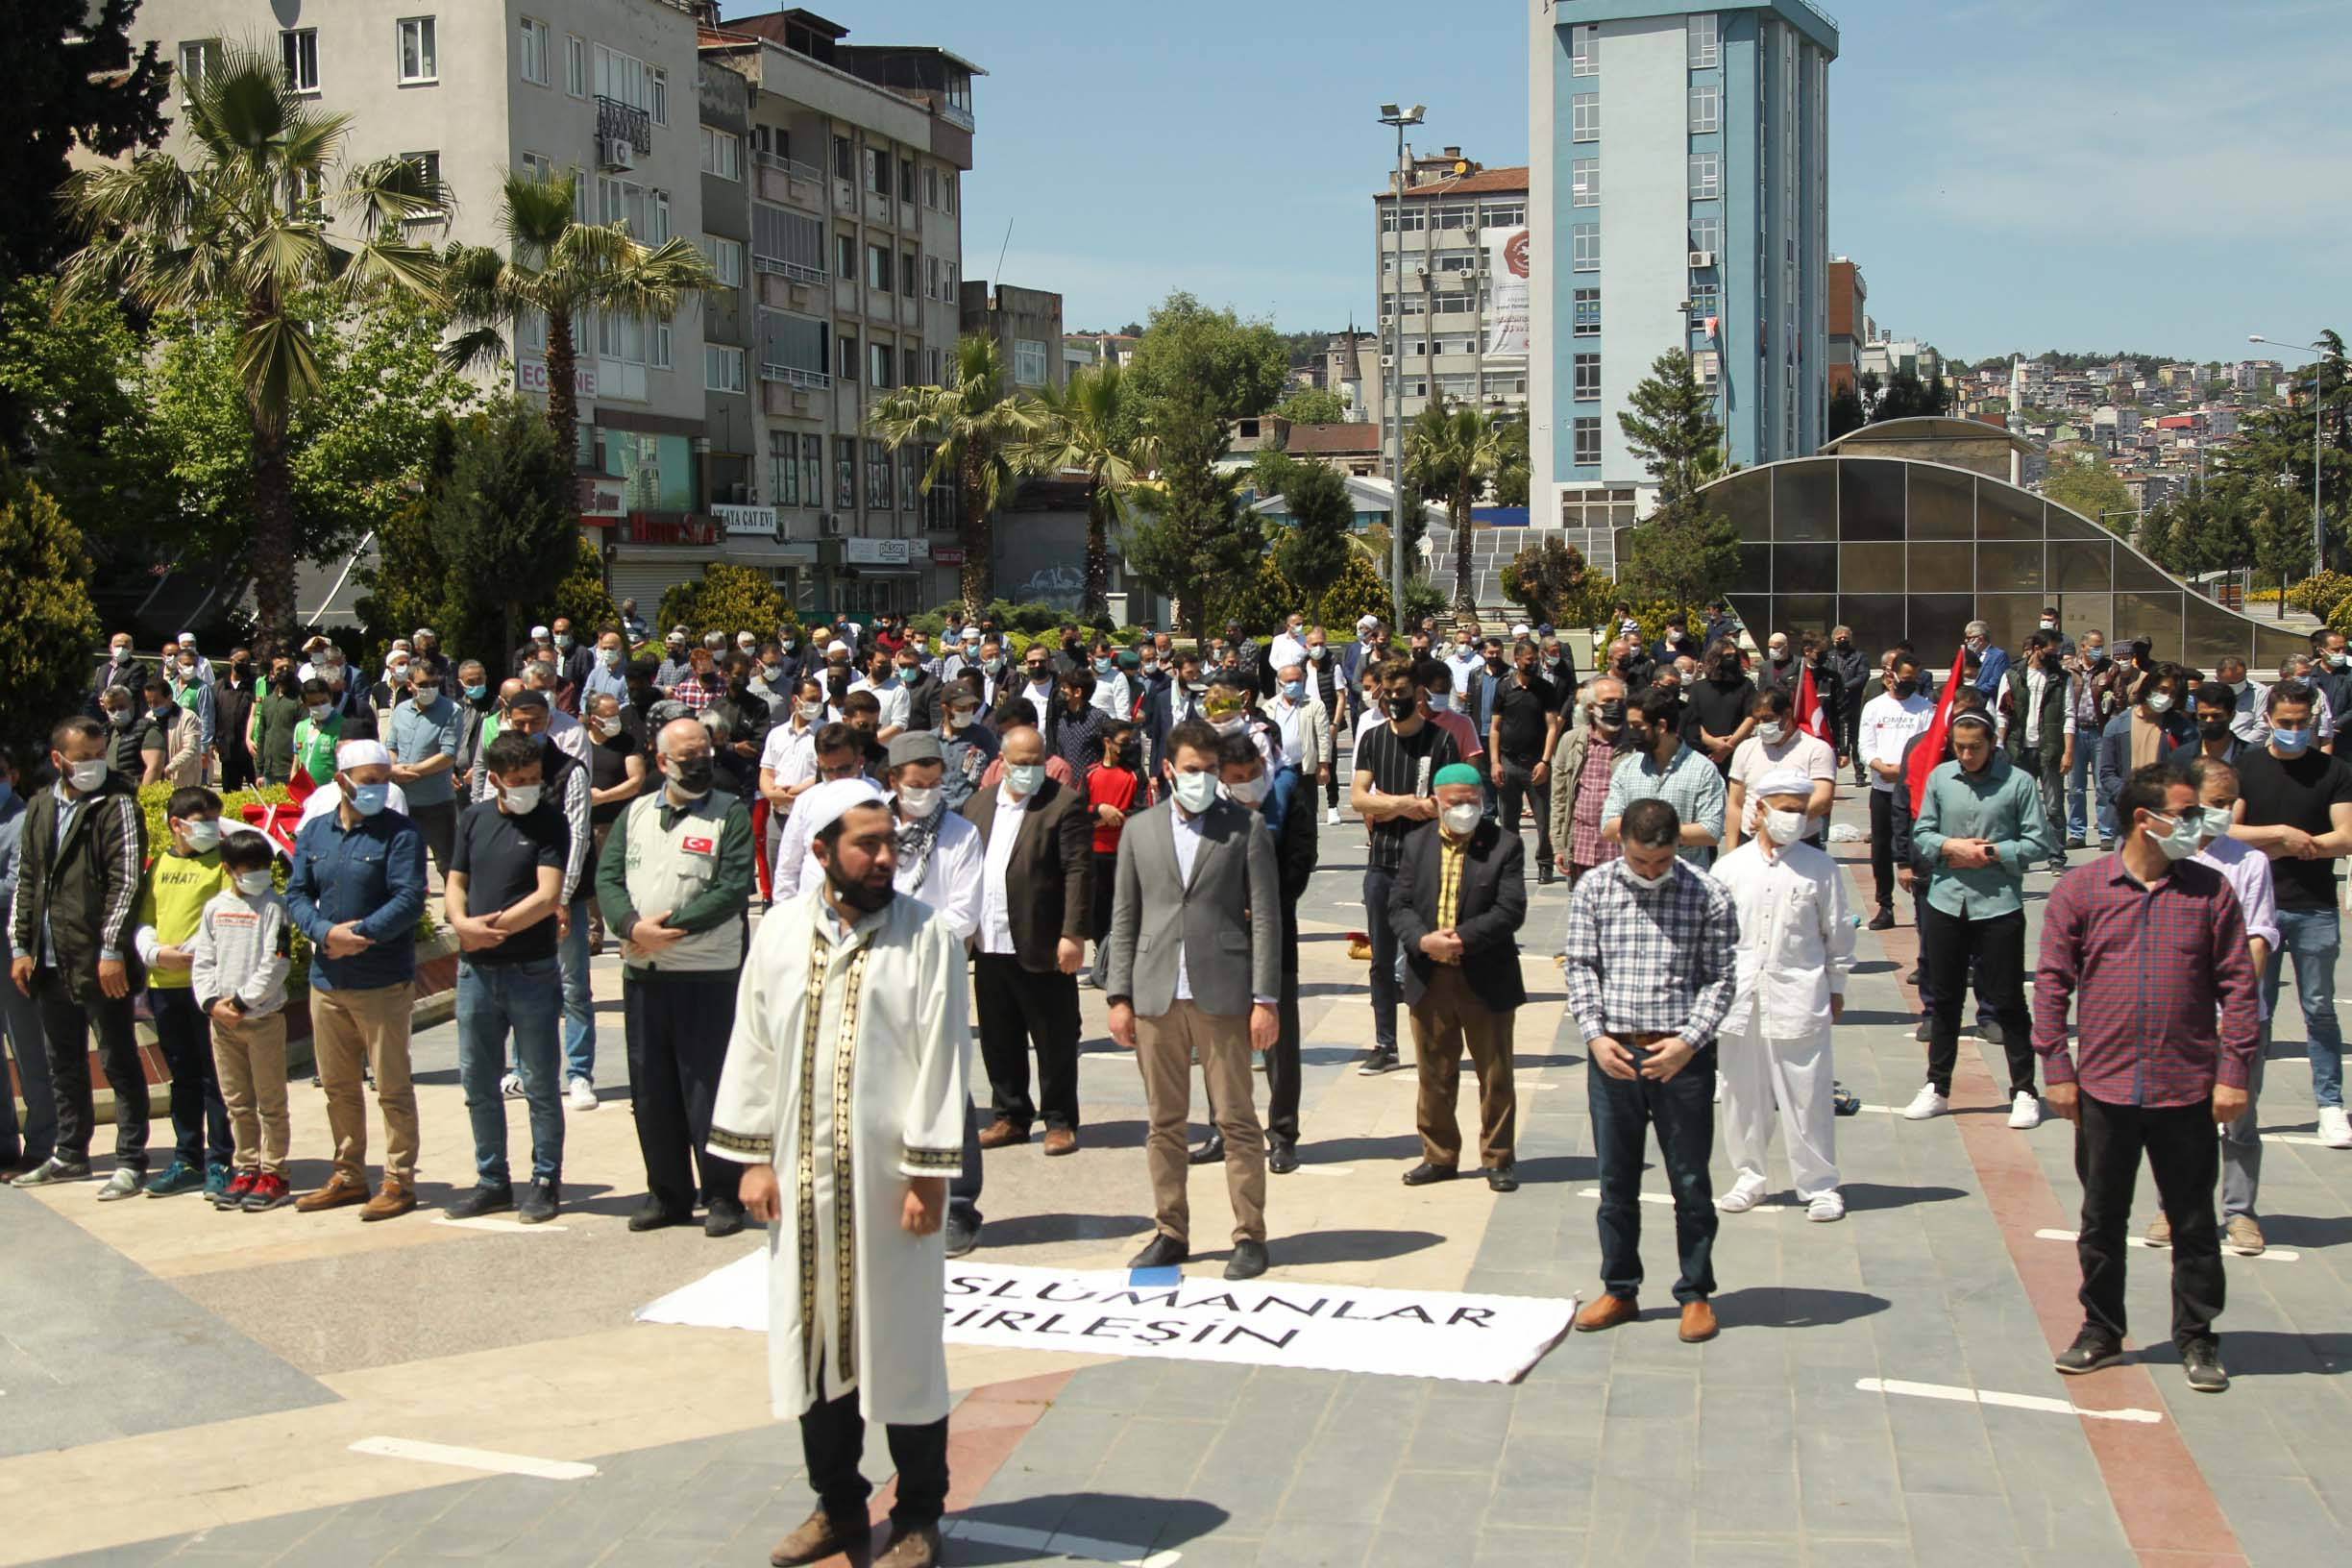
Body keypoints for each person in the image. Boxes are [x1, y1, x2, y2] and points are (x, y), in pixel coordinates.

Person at [713, 789, 968, 1568]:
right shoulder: (782, 931)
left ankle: (919, 1515)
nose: (885, 857)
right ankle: (838, 1507)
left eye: (889, 842)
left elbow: (943, 1055)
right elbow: (754, 1042)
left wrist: (929, 1174)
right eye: (866, 845)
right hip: (804, 1186)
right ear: (820, 850)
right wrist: (753, 1157)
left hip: (895, 1191)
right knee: (816, 1344)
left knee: (903, 1349)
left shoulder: (927, 937)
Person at [2035, 764, 2258, 1395]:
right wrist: (2057, 1069)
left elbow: (2240, 987)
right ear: (2145, 819)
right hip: (2104, 1088)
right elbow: (2051, 984)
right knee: (2102, 1219)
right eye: (2185, 815)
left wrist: (2233, 1073)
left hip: (2187, 1087)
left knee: (2191, 1221)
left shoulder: (2211, 893)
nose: (2197, 826)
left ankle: (2197, 1336)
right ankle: (2101, 1330)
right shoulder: (2082, 891)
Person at [1103, 720, 1280, 1280]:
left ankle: (1249, 1234)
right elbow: (1125, 917)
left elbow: (1267, 918)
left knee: (1236, 1119)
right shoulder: (1140, 830)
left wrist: (1265, 998)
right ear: (1169, 770)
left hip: (1223, 991)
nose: (1200, 779)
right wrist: (1119, 994)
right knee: (1164, 1121)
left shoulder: (1245, 828)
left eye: (1209, 771)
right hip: (1156, 993)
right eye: (1191, 770)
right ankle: (1170, 1230)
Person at [1564, 798, 1738, 1343]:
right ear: (1624, 847)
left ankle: (1696, 1292)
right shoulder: (1595, 888)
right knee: (1615, 1180)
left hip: (1679, 1058)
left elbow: (1721, 978)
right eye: (1641, 863)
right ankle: (1620, 1288)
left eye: (1660, 863)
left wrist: (1688, 1043)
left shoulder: (1707, 893)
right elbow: (1581, 965)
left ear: (1676, 849)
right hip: (1614, 1054)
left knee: (1690, 1179)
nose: (1650, 874)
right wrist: (1594, 1035)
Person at [596, 717, 755, 1237]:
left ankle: (724, 1193)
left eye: (705, 755)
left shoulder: (728, 814)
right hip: (644, 973)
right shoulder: (637, 812)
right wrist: (629, 927)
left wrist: (671, 930)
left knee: (707, 1088)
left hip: (706, 974)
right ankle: (666, 1193)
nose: (700, 764)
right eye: (688, 758)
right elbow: (609, 876)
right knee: (652, 1089)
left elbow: (732, 887)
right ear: (662, 762)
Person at [284, 740, 428, 1220]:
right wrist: (324, 933)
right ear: (341, 781)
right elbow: (297, 893)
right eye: (368, 782)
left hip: (381, 980)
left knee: (391, 1086)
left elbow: (409, 899)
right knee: (338, 1086)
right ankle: (348, 1174)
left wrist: (361, 934)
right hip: (327, 979)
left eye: (384, 781)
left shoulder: (401, 834)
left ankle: (399, 1180)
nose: (379, 791)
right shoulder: (315, 833)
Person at [7, 719, 149, 1195]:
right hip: (49, 961)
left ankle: (131, 1158)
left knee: (117, 1058)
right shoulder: (41, 805)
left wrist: (111, 949)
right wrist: (21, 946)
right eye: (82, 756)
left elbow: (125, 881)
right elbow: (29, 879)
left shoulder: (117, 804)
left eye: (98, 754)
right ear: (57, 759)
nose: (91, 765)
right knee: (62, 1061)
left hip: (97, 958)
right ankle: (70, 1154)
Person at [1710, 770, 1854, 1221]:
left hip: (1798, 995)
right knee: (1740, 1094)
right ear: (1759, 810)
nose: (1791, 818)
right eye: (1784, 809)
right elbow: (1711, 938)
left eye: (1799, 810)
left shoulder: (1820, 869)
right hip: (1740, 998)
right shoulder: (1730, 868)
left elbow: (1838, 935)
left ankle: (1819, 1184)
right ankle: (1749, 1175)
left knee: (1806, 1093)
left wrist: (1837, 986)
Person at [446, 730, 569, 1224]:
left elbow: (546, 896)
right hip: (476, 973)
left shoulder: (549, 822)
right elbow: (457, 879)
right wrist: (460, 925)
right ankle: (492, 1179)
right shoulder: (474, 818)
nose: (528, 788)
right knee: (478, 1081)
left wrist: (489, 931)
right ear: (494, 779)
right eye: (517, 781)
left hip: (530, 969)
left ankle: (545, 1179)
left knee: (539, 1081)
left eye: (534, 779)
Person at [1909, 710, 2055, 1124]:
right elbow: (1922, 834)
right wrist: (1952, 847)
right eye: (1960, 746)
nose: (1967, 754)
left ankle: (2024, 1089)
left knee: (2008, 998)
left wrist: (1990, 853)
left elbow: (2038, 843)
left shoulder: (2018, 784)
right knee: (1945, 996)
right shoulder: (1941, 778)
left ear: (1992, 743)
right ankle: (1937, 1084)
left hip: (1998, 905)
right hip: (1946, 901)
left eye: (1975, 746)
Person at [1389, 762, 1526, 1192]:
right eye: (1455, 803)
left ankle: (1498, 1157)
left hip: (1484, 975)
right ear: (1436, 802)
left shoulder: (1504, 845)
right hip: (1430, 975)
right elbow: (1399, 904)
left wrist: (1461, 940)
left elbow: (1510, 911)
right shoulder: (1416, 844)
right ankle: (1439, 1153)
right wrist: (1423, 941)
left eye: (1472, 802)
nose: (1464, 810)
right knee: (1434, 1072)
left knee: (1495, 1073)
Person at [2228, 679, 2352, 1147]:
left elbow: (2347, 836)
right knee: (2254, 1012)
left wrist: (2303, 846)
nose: (2294, 731)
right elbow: (2227, 829)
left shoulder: (2334, 770)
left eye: (2303, 723)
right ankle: (2242, 1106)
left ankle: (2330, 1106)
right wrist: (2280, 834)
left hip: (2314, 909)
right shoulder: (2249, 767)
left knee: (2319, 1010)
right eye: (2286, 723)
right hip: (2258, 911)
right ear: (2268, 721)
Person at [961, 723, 1091, 1155]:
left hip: (1042, 942)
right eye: (1020, 764)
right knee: (1000, 1037)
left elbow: (1077, 870)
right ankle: (1010, 1115)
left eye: (1036, 763)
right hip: (990, 941)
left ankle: (1059, 1120)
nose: (1029, 771)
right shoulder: (977, 805)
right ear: (1001, 762)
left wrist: (1073, 932)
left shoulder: (1063, 805)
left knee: (1054, 1039)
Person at [1350, 658, 1465, 1078]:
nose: (1394, 700)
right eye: (1387, 693)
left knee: (1429, 955)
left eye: (1401, 692)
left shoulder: (1443, 742)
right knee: (1382, 958)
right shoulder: (1373, 739)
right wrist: (1403, 804)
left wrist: (1397, 804)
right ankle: (1385, 1043)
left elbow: (1449, 802)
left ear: (1418, 694)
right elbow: (1359, 798)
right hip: (1382, 862)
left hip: (1428, 865)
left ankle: (1434, 1042)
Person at [132, 787, 235, 1198]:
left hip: (206, 987)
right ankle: (186, 1158)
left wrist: (189, 953)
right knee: (183, 1077)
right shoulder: (158, 865)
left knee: (216, 1077)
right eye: (203, 820)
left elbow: (226, 916)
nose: (211, 828)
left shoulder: (222, 864)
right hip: (164, 987)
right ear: (177, 824)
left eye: (215, 820)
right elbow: (144, 920)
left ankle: (221, 1160)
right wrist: (156, 953)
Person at [495, 691, 598, 1109]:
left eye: (535, 723)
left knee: (572, 987)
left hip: (561, 897)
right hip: (518, 897)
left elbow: (576, 837)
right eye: (520, 723)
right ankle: (524, 1070)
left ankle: (579, 1074)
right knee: (523, 987)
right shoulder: (500, 764)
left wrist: (559, 897)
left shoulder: (568, 771)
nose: (527, 730)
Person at [186, 831, 294, 1212]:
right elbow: (204, 961)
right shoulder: (215, 908)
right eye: (250, 869)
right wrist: (212, 1003)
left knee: (270, 1103)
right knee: (238, 1103)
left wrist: (243, 1001)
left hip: (261, 1020)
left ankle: (275, 1173)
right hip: (222, 1024)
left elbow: (277, 962)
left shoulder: (273, 907)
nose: (259, 875)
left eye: (264, 868)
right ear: (228, 869)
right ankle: (246, 1168)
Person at [0, 747, 59, 1176]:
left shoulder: (23, 822)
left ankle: (42, 1142)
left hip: (14, 951)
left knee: (28, 1049)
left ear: (14, 774)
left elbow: (19, 886)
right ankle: (4, 1144)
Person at [1601, 684, 1727, 865]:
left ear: (1661, 726)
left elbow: (1711, 831)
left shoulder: (1703, 770)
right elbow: (1608, 826)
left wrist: (1656, 832)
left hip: (1685, 884)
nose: (1631, 733)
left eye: (1638, 726)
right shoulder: (1627, 769)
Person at [1859, 651, 1935, 929]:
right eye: (1904, 678)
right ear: (1890, 673)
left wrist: (1903, 771)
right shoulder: (1875, 707)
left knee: (1914, 849)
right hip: (1882, 786)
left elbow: (1927, 748)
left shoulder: (1926, 708)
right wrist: (1878, 765)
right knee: (1880, 849)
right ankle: (1885, 906)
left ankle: (1920, 907)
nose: (1908, 683)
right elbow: (1865, 745)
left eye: (1913, 679)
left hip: (1913, 790)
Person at [1722, 687, 1835, 852]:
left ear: (1787, 715)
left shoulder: (1816, 749)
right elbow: (1735, 804)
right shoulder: (1745, 749)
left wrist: (1775, 823)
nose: (1761, 725)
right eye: (1757, 720)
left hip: (1801, 846)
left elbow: (1823, 800)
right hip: (1751, 843)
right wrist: (1731, 852)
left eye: (1768, 719)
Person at [1486, 640, 1562, 883]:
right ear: (1517, 660)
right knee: (1508, 820)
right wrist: (1495, 762)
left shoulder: (1545, 690)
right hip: (1509, 762)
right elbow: (1495, 727)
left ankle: (1545, 864)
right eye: (1528, 660)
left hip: (1535, 763)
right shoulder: (1504, 687)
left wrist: (1545, 761)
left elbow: (1552, 727)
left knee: (1543, 819)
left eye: (1535, 660)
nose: (1533, 664)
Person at [386, 660, 464, 880]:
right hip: (402, 800)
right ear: (410, 685)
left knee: (447, 862)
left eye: (433, 683)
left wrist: (413, 771)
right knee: (402, 860)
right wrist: (394, 769)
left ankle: (456, 911)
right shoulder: (401, 711)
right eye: (423, 683)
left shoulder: (451, 710)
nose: (429, 688)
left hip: (436, 801)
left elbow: (448, 755)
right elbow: (391, 746)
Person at [1549, 677, 1627, 884]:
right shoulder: (1571, 741)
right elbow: (1559, 796)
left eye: (1620, 701)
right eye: (1608, 701)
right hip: (1582, 843)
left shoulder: (1635, 745)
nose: (1615, 707)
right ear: (1591, 708)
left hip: (1622, 846)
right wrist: (1558, 844)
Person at [1084, 721, 1140, 987]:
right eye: (1123, 742)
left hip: (1123, 852)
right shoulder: (1090, 774)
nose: (1128, 747)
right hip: (1094, 853)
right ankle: (1100, 961)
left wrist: (1113, 816)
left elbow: (1139, 811)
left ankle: (1116, 966)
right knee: (1097, 913)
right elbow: (1079, 811)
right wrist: (1099, 813)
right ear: (1107, 742)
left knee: (1122, 911)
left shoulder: (1134, 775)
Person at [1685, 639, 1757, 778]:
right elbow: (1691, 719)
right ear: (1715, 658)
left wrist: (1728, 747)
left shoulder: (1745, 686)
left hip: (1736, 756)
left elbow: (1751, 717)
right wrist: (1710, 741)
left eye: (1734, 655)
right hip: (1703, 756)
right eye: (1727, 656)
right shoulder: (1697, 688)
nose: (1732, 659)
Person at [1825, 625, 1869, 784]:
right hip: (1832, 704)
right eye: (1839, 638)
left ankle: (1859, 774)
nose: (1842, 640)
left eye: (1845, 637)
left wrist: (1845, 687)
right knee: (1833, 737)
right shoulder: (1828, 657)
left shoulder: (1859, 657)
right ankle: (1830, 773)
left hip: (1852, 703)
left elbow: (1863, 675)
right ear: (1833, 640)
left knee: (1854, 738)